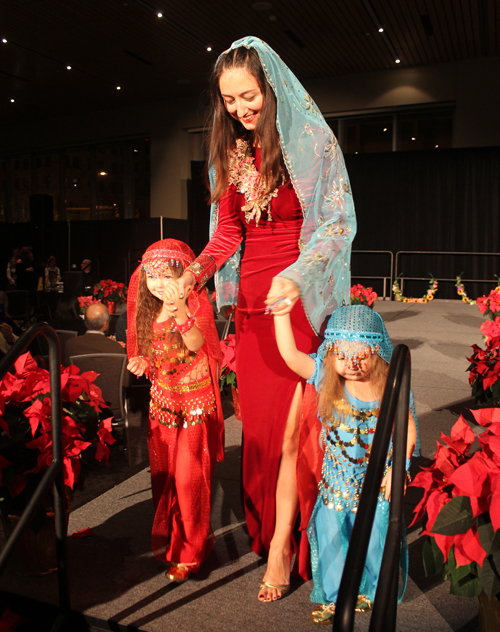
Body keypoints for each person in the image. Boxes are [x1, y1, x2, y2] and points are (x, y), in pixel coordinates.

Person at [175, 36, 356, 601]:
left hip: (297, 305)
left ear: (271, 89)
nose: (239, 110)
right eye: (228, 101)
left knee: (291, 435)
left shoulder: (314, 144)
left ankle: (285, 544)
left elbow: (335, 224)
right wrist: (195, 273)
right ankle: (269, 527)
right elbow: (228, 231)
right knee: (256, 430)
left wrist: (298, 277)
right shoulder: (231, 151)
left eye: (248, 96)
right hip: (252, 313)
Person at [273, 304, 417, 623]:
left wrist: (400, 468)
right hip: (336, 483)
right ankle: (338, 597)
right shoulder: (326, 378)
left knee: (377, 536)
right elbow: (289, 355)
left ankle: (376, 591)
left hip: (376, 481)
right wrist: (281, 313)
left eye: (360, 355)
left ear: (377, 352)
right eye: (342, 354)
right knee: (331, 534)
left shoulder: (387, 387)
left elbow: (406, 429)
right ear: (329, 353)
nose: (351, 364)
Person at [126, 239, 224, 583]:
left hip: (195, 405)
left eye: (165, 275)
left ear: (182, 276)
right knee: (165, 479)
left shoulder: (196, 303)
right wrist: (140, 361)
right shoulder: (147, 310)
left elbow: (198, 344)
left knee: (188, 478)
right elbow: (151, 354)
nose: (157, 284)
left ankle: (190, 553)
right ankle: (177, 541)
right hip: (163, 405)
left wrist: (181, 307)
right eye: (151, 276)